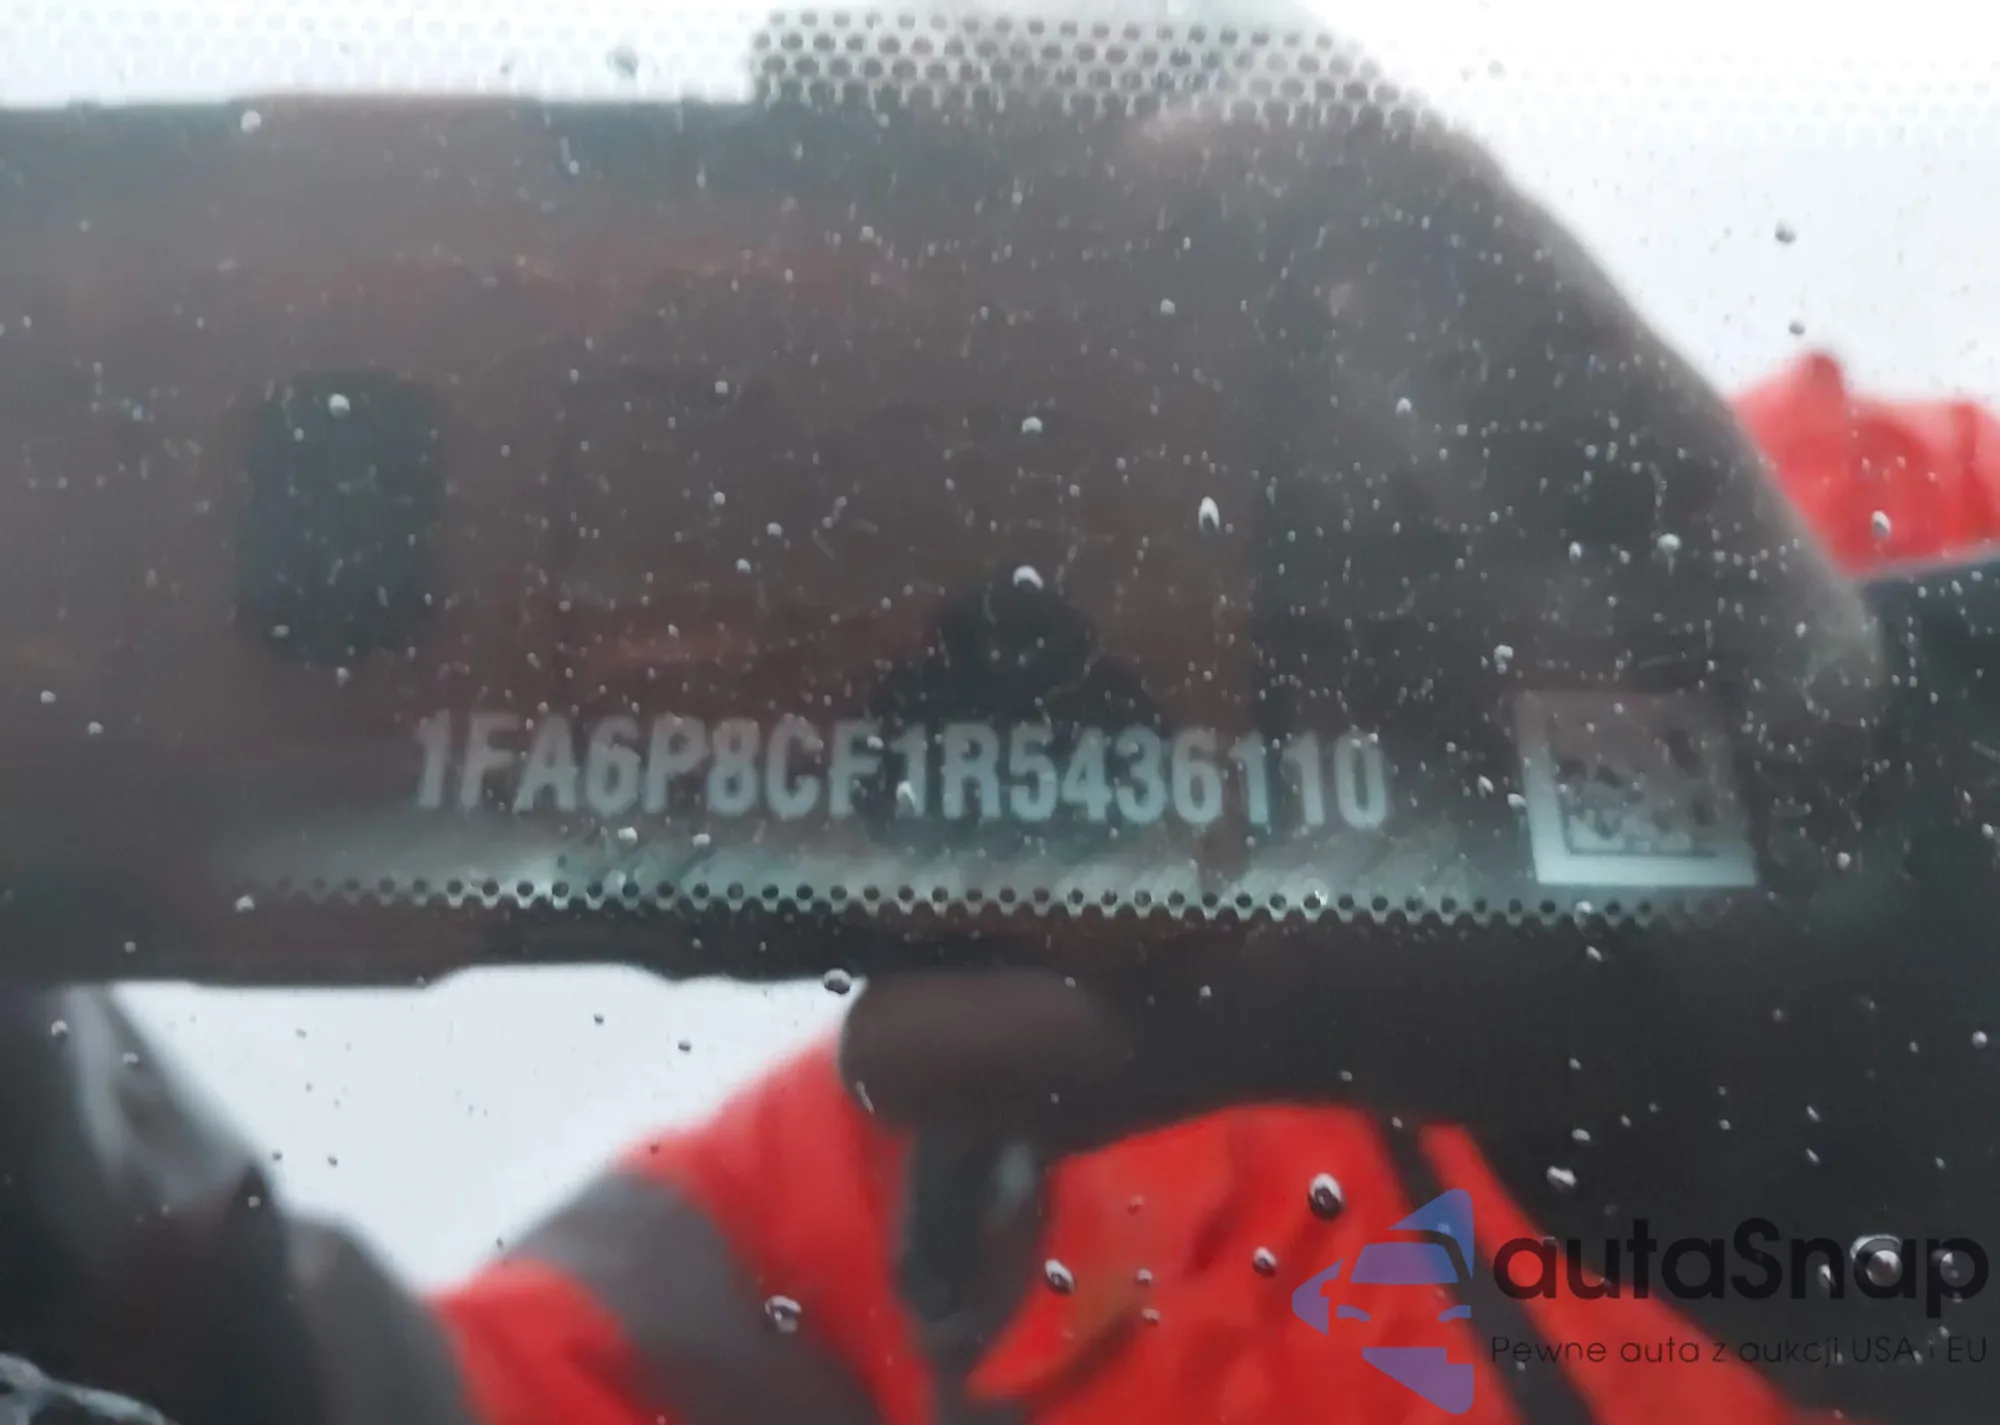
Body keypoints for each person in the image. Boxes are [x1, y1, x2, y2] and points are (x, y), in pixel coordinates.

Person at [0, 9, 1990, 1425]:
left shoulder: (1940, 542)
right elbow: (399, 1395)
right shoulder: (948, 1142)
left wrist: (1868, 945)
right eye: (701, 426)